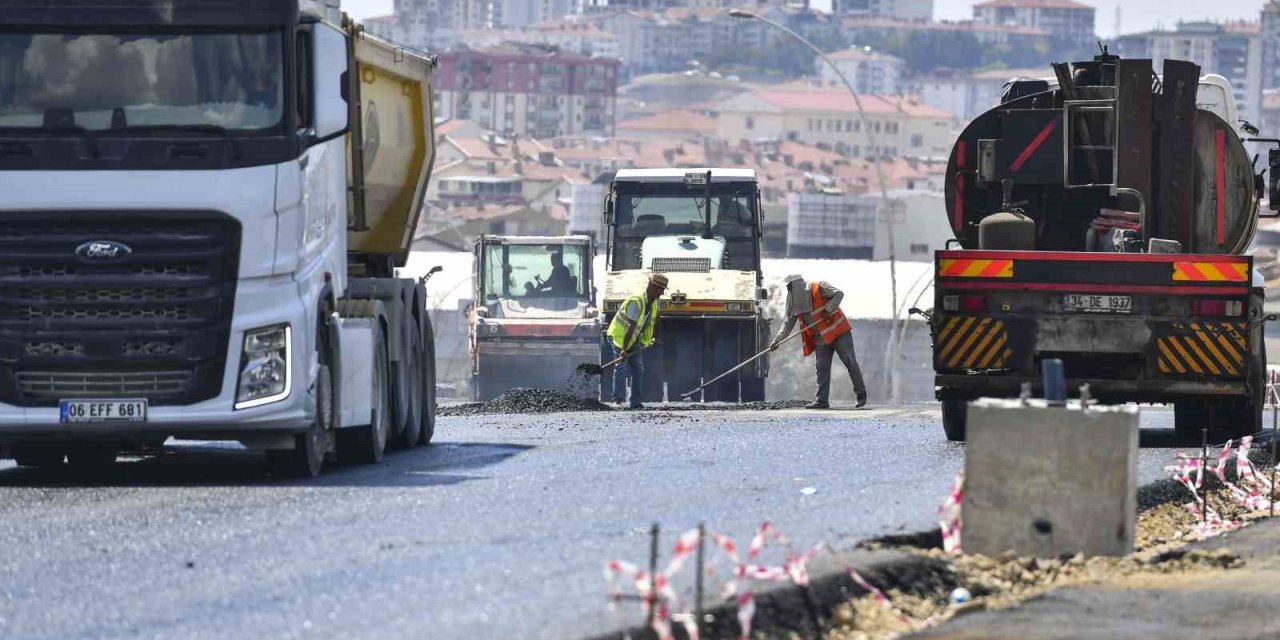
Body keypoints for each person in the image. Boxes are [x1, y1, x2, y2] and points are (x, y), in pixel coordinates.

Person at [770, 275, 867, 409]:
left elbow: (839, 294)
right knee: (821, 368)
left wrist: (829, 309)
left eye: (790, 287)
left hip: (838, 333)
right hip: (821, 338)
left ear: (797, 285)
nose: (789, 290)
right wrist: (777, 341)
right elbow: (787, 324)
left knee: (849, 361)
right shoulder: (794, 303)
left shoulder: (819, 287)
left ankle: (861, 395)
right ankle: (822, 400)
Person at [606, 273, 668, 409]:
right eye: (661, 289)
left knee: (638, 369)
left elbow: (657, 318)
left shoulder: (654, 302)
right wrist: (623, 349)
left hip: (634, 338)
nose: (662, 292)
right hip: (619, 336)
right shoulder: (636, 301)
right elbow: (630, 327)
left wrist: (656, 337)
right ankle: (618, 399)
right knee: (621, 366)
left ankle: (635, 402)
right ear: (653, 287)